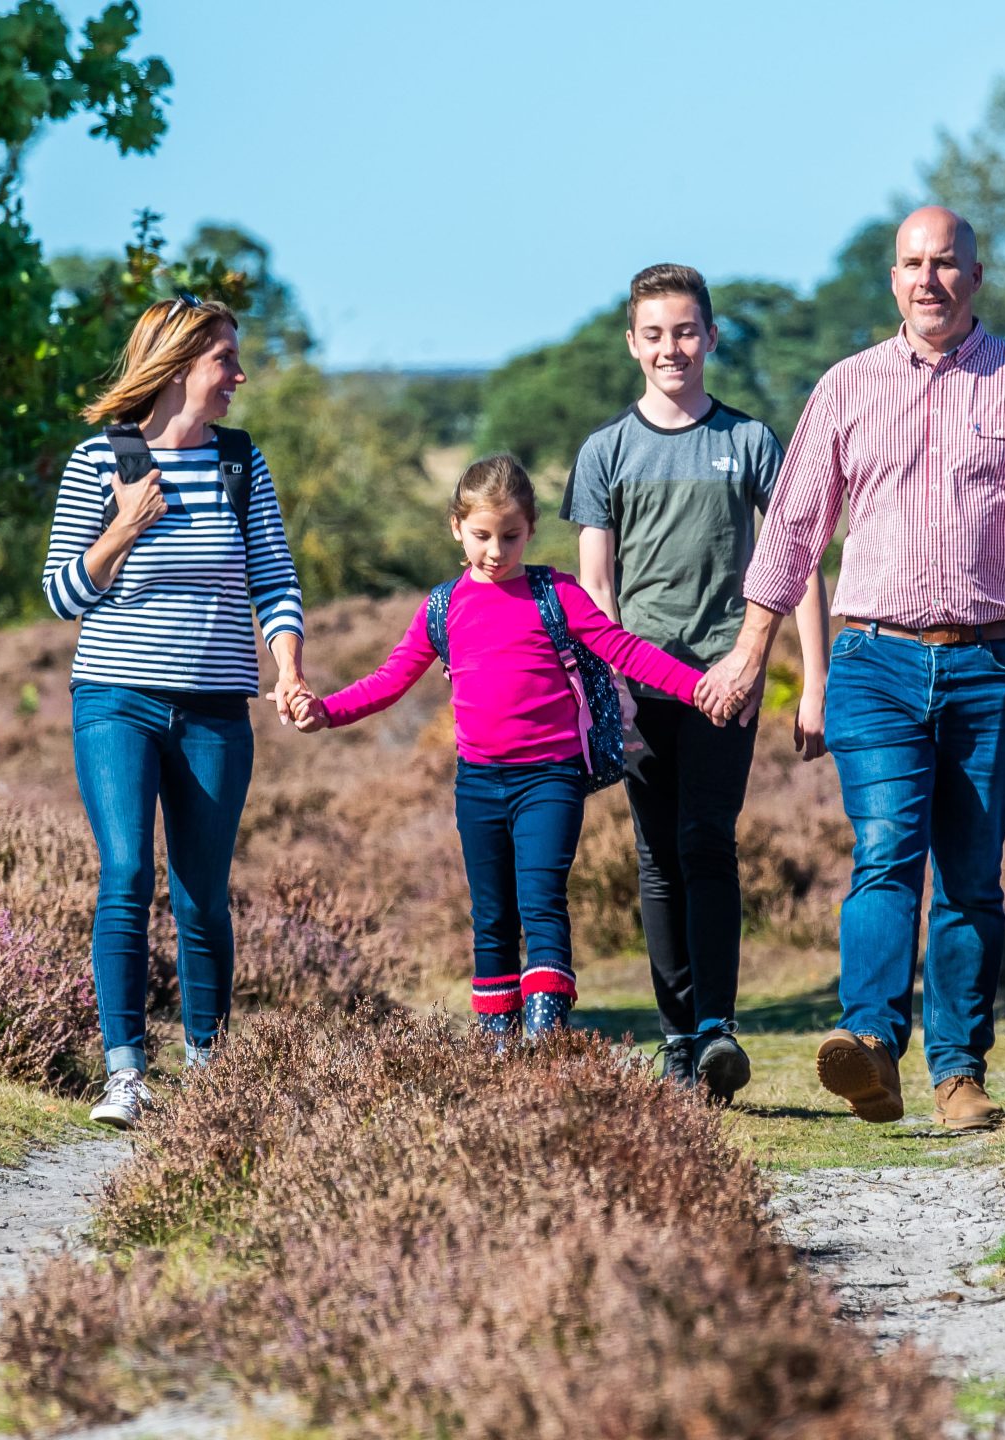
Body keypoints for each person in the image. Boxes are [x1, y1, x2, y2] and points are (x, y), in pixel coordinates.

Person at [696, 207, 1005, 1132]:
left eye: (946, 264)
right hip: (873, 662)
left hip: (992, 663)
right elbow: (795, 529)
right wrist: (753, 651)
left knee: (969, 873)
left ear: (975, 276)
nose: (928, 280)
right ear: (893, 279)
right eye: (913, 265)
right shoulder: (846, 388)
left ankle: (959, 1072)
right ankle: (871, 1042)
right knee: (885, 853)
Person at [292, 456, 730, 1038]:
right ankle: (499, 1050)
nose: (496, 551)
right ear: (456, 528)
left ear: (530, 529)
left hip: (550, 779)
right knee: (491, 918)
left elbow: (626, 650)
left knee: (542, 901)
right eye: (481, 536)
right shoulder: (442, 607)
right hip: (477, 783)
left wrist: (698, 688)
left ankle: (544, 1039)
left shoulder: (559, 594)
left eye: (511, 536)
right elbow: (390, 680)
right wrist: (327, 711)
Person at [562, 263, 830, 1103]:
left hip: (729, 677)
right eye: (655, 334)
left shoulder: (749, 443)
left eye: (686, 331)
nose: (671, 348)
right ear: (632, 344)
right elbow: (596, 593)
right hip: (638, 685)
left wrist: (809, 680)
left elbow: (800, 564)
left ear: (710, 337)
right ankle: (678, 1039)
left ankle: (718, 1029)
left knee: (708, 841)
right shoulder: (604, 452)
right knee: (656, 859)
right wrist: (612, 693)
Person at [41, 294, 310, 1131]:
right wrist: (122, 528)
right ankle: (125, 1073)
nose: (238, 374)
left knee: (202, 895)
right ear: (178, 364)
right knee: (125, 875)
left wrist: (289, 668)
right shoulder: (100, 461)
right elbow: (61, 594)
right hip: (115, 700)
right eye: (225, 358)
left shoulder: (241, 463)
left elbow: (275, 580)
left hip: (216, 710)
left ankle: (209, 1067)